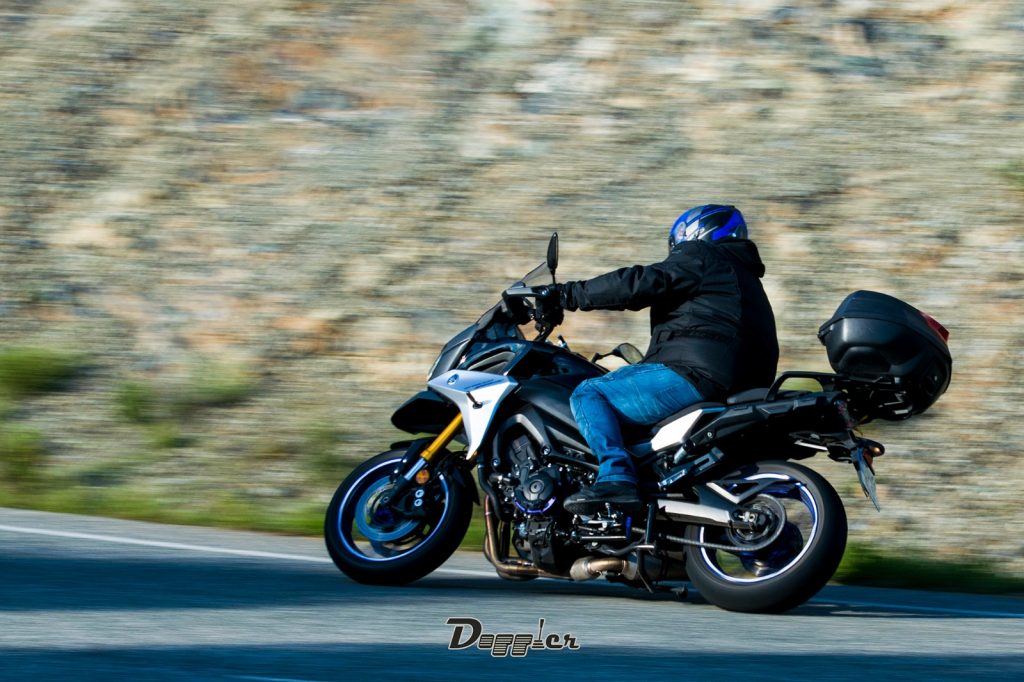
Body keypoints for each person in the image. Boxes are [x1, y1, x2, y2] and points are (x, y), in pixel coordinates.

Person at [550, 204, 779, 514]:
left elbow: (640, 282)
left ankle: (616, 476)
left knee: (590, 392)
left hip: (697, 375)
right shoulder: (743, 276)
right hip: (743, 383)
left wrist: (565, 295)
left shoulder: (703, 255)